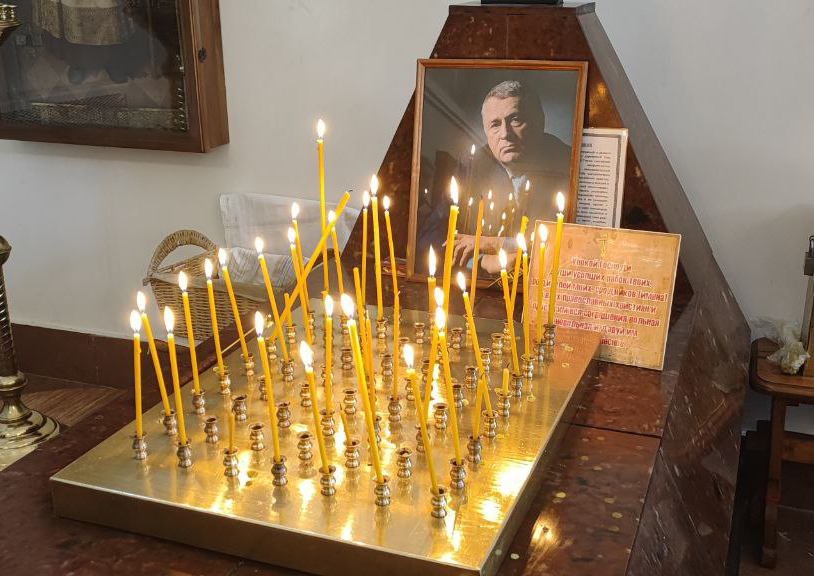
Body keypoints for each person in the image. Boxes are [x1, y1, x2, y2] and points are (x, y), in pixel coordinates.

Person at [416, 79, 571, 277]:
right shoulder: (471, 165)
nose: (505, 134)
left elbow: (572, 245)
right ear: (486, 131)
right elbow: (429, 237)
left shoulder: (568, 162)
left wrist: (493, 243)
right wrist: (480, 260)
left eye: (516, 120)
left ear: (540, 122)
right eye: (495, 124)